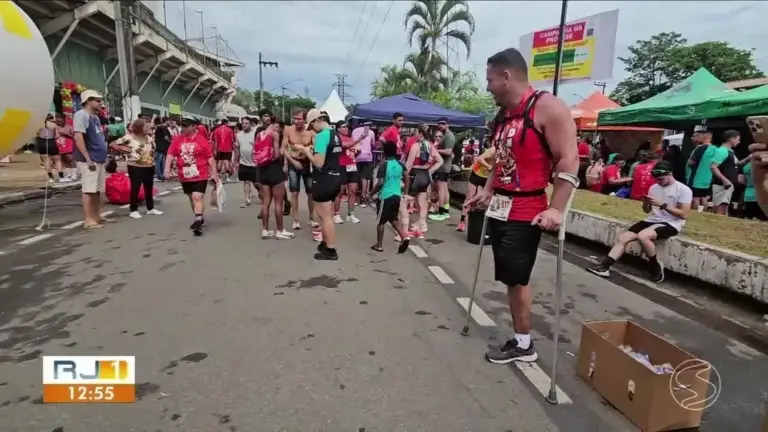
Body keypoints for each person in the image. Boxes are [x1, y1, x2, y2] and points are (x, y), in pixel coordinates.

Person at [464, 47, 579, 364]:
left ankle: (524, 343)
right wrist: (487, 190)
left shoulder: (547, 108)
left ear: (506, 76)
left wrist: (556, 208)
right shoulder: (503, 116)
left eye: (490, 80)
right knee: (508, 275)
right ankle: (521, 338)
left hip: (527, 209)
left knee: (517, 278)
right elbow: (501, 158)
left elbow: (569, 158)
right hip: (500, 205)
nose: (487, 87)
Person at [588, 162, 691, 283]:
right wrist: (646, 203)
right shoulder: (654, 187)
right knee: (623, 238)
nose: (658, 181)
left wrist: (662, 205)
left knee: (643, 236)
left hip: (671, 223)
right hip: (652, 220)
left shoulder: (683, 190)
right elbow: (647, 211)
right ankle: (605, 266)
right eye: (656, 179)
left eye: (661, 179)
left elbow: (684, 214)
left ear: (670, 174)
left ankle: (655, 266)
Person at [300, 109, 343, 260]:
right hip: (335, 176)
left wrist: (307, 153)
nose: (312, 131)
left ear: (317, 121)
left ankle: (330, 249)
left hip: (324, 179)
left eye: (312, 126)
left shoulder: (321, 136)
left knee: (325, 217)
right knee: (328, 214)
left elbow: (318, 163)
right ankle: (326, 243)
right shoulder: (335, 134)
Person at [165, 117, 219, 235]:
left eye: (185, 125)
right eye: (182, 125)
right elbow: (170, 154)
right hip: (185, 174)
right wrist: (166, 169)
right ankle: (198, 216)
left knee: (197, 197)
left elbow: (210, 157)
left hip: (200, 173)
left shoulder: (201, 140)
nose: (183, 128)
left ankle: (198, 220)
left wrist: (214, 173)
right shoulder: (177, 139)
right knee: (191, 198)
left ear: (193, 126)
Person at [110, 118, 162, 219]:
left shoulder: (149, 138)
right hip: (135, 166)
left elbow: (153, 148)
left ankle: (150, 208)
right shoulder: (129, 138)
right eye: (146, 126)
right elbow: (113, 144)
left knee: (148, 187)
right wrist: (126, 151)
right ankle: (133, 210)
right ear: (139, 128)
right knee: (135, 188)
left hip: (149, 165)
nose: (148, 128)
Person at [73, 90, 109, 229]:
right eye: (98, 100)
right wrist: (88, 158)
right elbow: (79, 137)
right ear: (88, 101)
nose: (100, 103)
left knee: (97, 189)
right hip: (89, 158)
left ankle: (96, 215)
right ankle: (88, 219)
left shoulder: (94, 117)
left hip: (98, 158)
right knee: (89, 189)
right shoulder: (81, 115)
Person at [253, 118, 293, 239]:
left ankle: (265, 230)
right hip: (274, 169)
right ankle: (280, 230)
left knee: (265, 203)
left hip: (262, 170)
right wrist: (281, 153)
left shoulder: (260, 133)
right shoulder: (274, 134)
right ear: (277, 125)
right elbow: (275, 155)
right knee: (278, 202)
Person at [402, 124, 443, 239]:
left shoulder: (415, 146)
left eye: (416, 132)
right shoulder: (430, 145)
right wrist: (430, 170)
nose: (415, 134)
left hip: (415, 175)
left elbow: (409, 164)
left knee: (405, 201)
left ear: (420, 133)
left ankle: (404, 230)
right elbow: (440, 160)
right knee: (422, 202)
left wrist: (403, 176)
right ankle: (420, 227)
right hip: (425, 175)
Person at [371, 141, 411, 253]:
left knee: (381, 221)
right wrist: (405, 193)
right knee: (392, 218)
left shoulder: (383, 164)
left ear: (384, 152)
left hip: (385, 196)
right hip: (396, 195)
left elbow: (380, 183)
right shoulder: (400, 164)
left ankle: (379, 245)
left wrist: (371, 193)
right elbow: (407, 178)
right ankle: (404, 236)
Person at [282, 108, 317, 230]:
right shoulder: (288, 130)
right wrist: (292, 161)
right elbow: (284, 149)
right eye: (294, 118)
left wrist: (309, 148)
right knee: (294, 192)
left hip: (308, 163)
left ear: (304, 119)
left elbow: (316, 146)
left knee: (311, 192)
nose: (296, 121)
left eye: (299, 119)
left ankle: (312, 218)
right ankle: (295, 219)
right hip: (294, 163)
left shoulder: (311, 131)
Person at [333, 120, 364, 224]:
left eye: (347, 127)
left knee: (352, 191)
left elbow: (355, 152)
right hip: (341, 166)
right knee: (340, 192)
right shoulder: (337, 139)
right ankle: (336, 214)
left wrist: (357, 153)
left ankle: (351, 214)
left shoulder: (351, 139)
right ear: (338, 129)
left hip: (352, 166)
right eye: (343, 127)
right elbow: (345, 146)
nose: (346, 129)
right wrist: (359, 139)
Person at [457, 146, 494, 232]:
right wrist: (488, 166)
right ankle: (462, 222)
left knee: (484, 199)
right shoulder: (493, 150)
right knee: (470, 197)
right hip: (477, 173)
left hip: (487, 177)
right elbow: (479, 158)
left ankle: (481, 223)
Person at [430, 117, 456, 221]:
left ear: (447, 124)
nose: (441, 125)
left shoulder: (449, 136)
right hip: (444, 166)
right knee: (444, 189)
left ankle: (441, 212)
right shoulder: (445, 135)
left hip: (443, 166)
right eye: (439, 124)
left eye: (443, 124)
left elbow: (449, 152)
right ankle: (445, 211)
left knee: (441, 189)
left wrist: (435, 150)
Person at [710, 130, 741, 215]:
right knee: (721, 207)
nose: (739, 142)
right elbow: (713, 167)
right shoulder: (722, 151)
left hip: (728, 184)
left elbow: (738, 163)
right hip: (722, 185)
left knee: (724, 207)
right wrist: (724, 180)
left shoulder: (730, 151)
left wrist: (750, 158)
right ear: (731, 139)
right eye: (737, 139)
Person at [234, 116, 259, 208]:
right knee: (246, 181)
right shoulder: (239, 135)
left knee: (256, 182)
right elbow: (237, 148)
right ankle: (247, 200)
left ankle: (261, 193)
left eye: (246, 123)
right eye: (243, 123)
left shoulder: (255, 134)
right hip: (243, 162)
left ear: (250, 124)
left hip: (254, 162)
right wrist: (235, 161)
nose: (244, 125)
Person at [687, 130, 715, 210]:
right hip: (707, 178)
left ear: (704, 137)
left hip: (696, 177)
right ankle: (703, 213)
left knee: (695, 198)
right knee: (703, 197)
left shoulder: (700, 148)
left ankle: (696, 214)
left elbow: (691, 162)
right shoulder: (714, 149)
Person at [353, 120, 376, 207]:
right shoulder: (371, 132)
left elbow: (352, 142)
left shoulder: (355, 131)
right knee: (365, 178)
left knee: (355, 178)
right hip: (367, 156)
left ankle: (354, 198)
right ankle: (363, 199)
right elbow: (373, 144)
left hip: (356, 155)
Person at [37, 114, 64, 183]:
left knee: (46, 161)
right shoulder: (53, 125)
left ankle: (51, 178)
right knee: (57, 160)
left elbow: (35, 134)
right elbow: (57, 135)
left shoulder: (38, 125)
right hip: (51, 141)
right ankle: (61, 177)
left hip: (41, 142)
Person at [212, 119, 235, 183]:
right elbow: (233, 139)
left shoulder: (216, 130)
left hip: (219, 148)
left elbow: (215, 140)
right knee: (226, 161)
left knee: (219, 162)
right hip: (228, 148)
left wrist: (215, 149)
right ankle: (227, 177)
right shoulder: (230, 130)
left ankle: (219, 177)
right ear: (226, 123)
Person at [55, 115, 77, 181]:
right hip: (59, 146)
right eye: (58, 121)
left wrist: (66, 135)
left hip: (68, 146)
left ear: (64, 120)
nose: (59, 123)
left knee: (70, 160)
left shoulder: (70, 127)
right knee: (63, 161)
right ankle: (69, 173)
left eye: (61, 121)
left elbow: (75, 136)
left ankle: (74, 174)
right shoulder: (55, 127)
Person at [154, 116, 173, 181]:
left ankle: (160, 175)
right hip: (163, 146)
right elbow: (166, 137)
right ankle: (160, 175)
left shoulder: (158, 128)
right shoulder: (164, 128)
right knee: (161, 161)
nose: (169, 122)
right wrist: (171, 142)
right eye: (169, 121)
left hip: (159, 146)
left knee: (159, 161)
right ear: (166, 121)